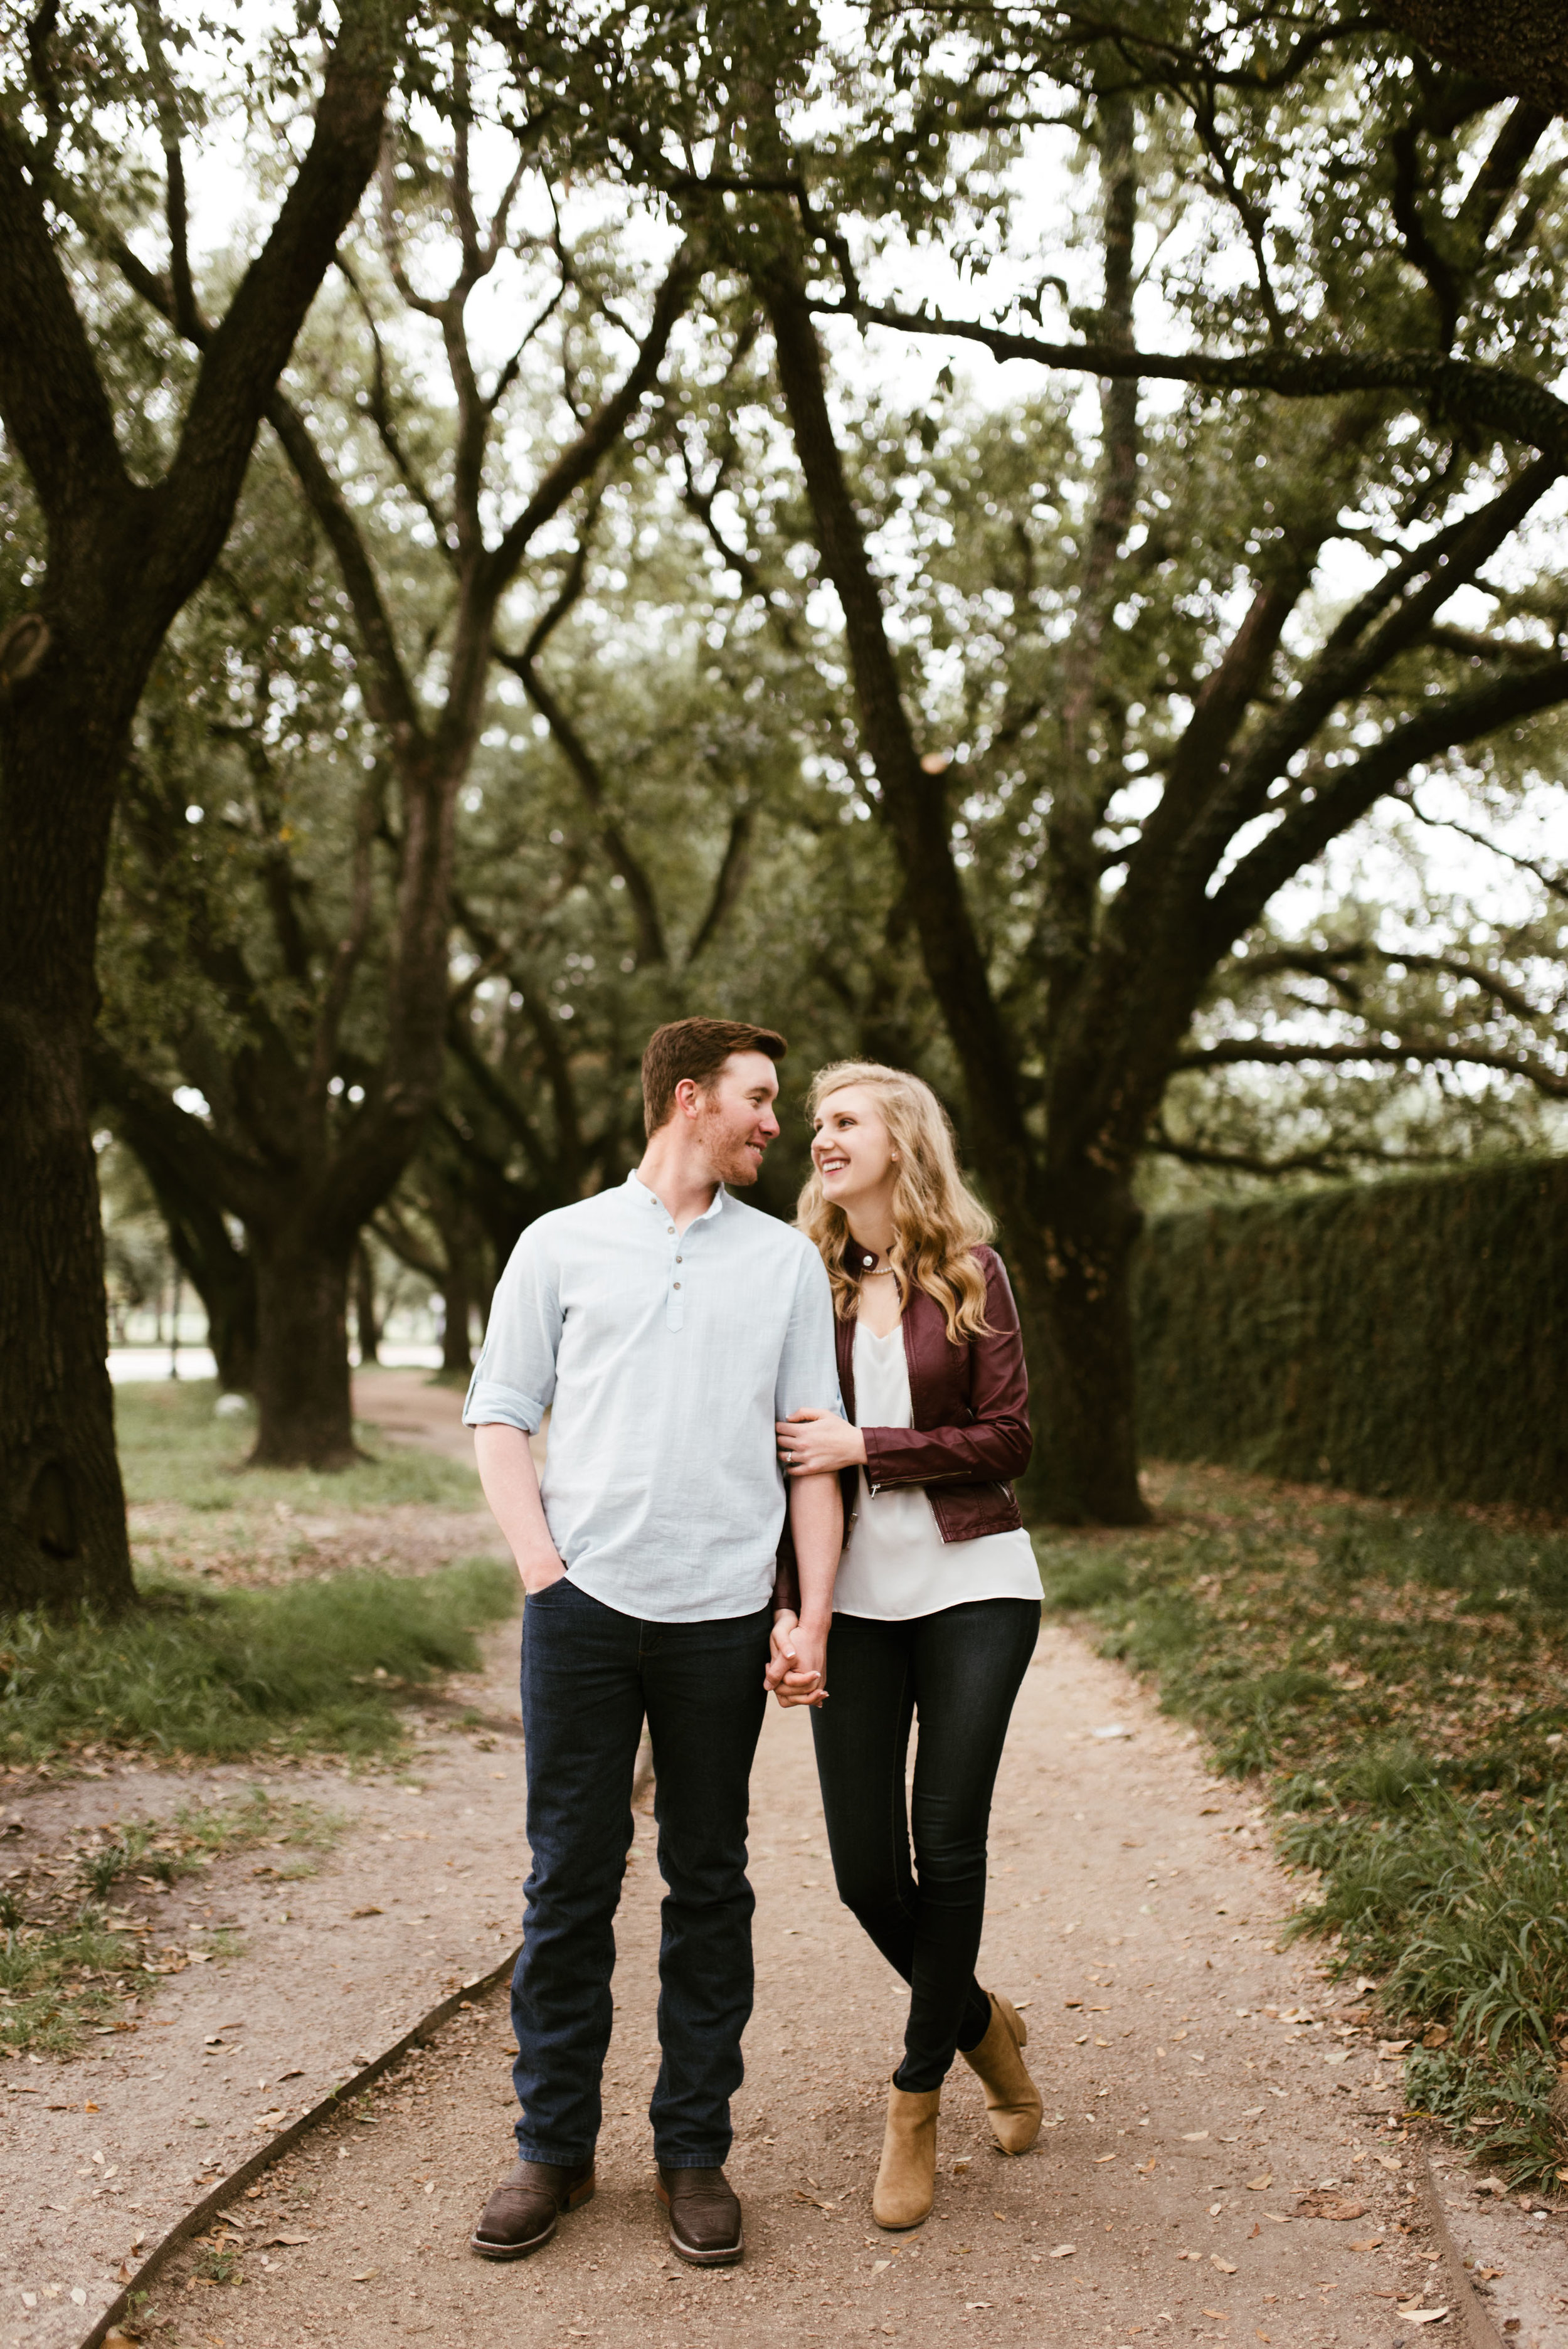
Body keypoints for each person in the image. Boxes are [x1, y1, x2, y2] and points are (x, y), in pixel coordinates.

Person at [464, 1018, 842, 2271]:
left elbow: (809, 1458)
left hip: (718, 1621)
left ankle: (693, 2149)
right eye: (758, 1099)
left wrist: (808, 1615)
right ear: (689, 1100)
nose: (774, 1123)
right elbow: (501, 1415)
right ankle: (551, 2148)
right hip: (581, 1617)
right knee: (568, 1877)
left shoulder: (784, 1262)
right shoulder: (559, 1244)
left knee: (708, 1881)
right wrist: (542, 1570)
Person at [770, 1059, 1044, 2230]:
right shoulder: (804, 1286)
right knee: (864, 1870)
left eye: (842, 1121)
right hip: (857, 1599)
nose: (820, 1139)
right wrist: (792, 1604)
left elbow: (1009, 1437)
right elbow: (778, 1460)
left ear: (901, 1138)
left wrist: (866, 1446)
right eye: (815, 1125)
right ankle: (983, 2022)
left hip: (977, 1582)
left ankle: (918, 2093)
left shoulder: (970, 1273)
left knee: (949, 1839)